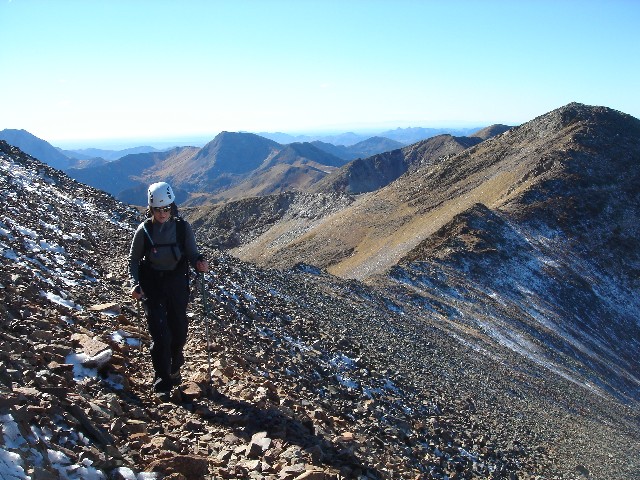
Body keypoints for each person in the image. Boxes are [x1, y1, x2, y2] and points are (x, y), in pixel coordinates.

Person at [128, 181, 208, 396]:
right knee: (160, 334)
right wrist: (134, 283)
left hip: (176, 283)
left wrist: (199, 263)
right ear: (151, 209)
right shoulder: (144, 230)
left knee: (179, 331)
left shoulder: (182, 228)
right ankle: (162, 380)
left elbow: (192, 253)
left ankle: (175, 365)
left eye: (166, 208)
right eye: (157, 209)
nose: (162, 213)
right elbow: (134, 260)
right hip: (152, 284)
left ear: (172, 207)